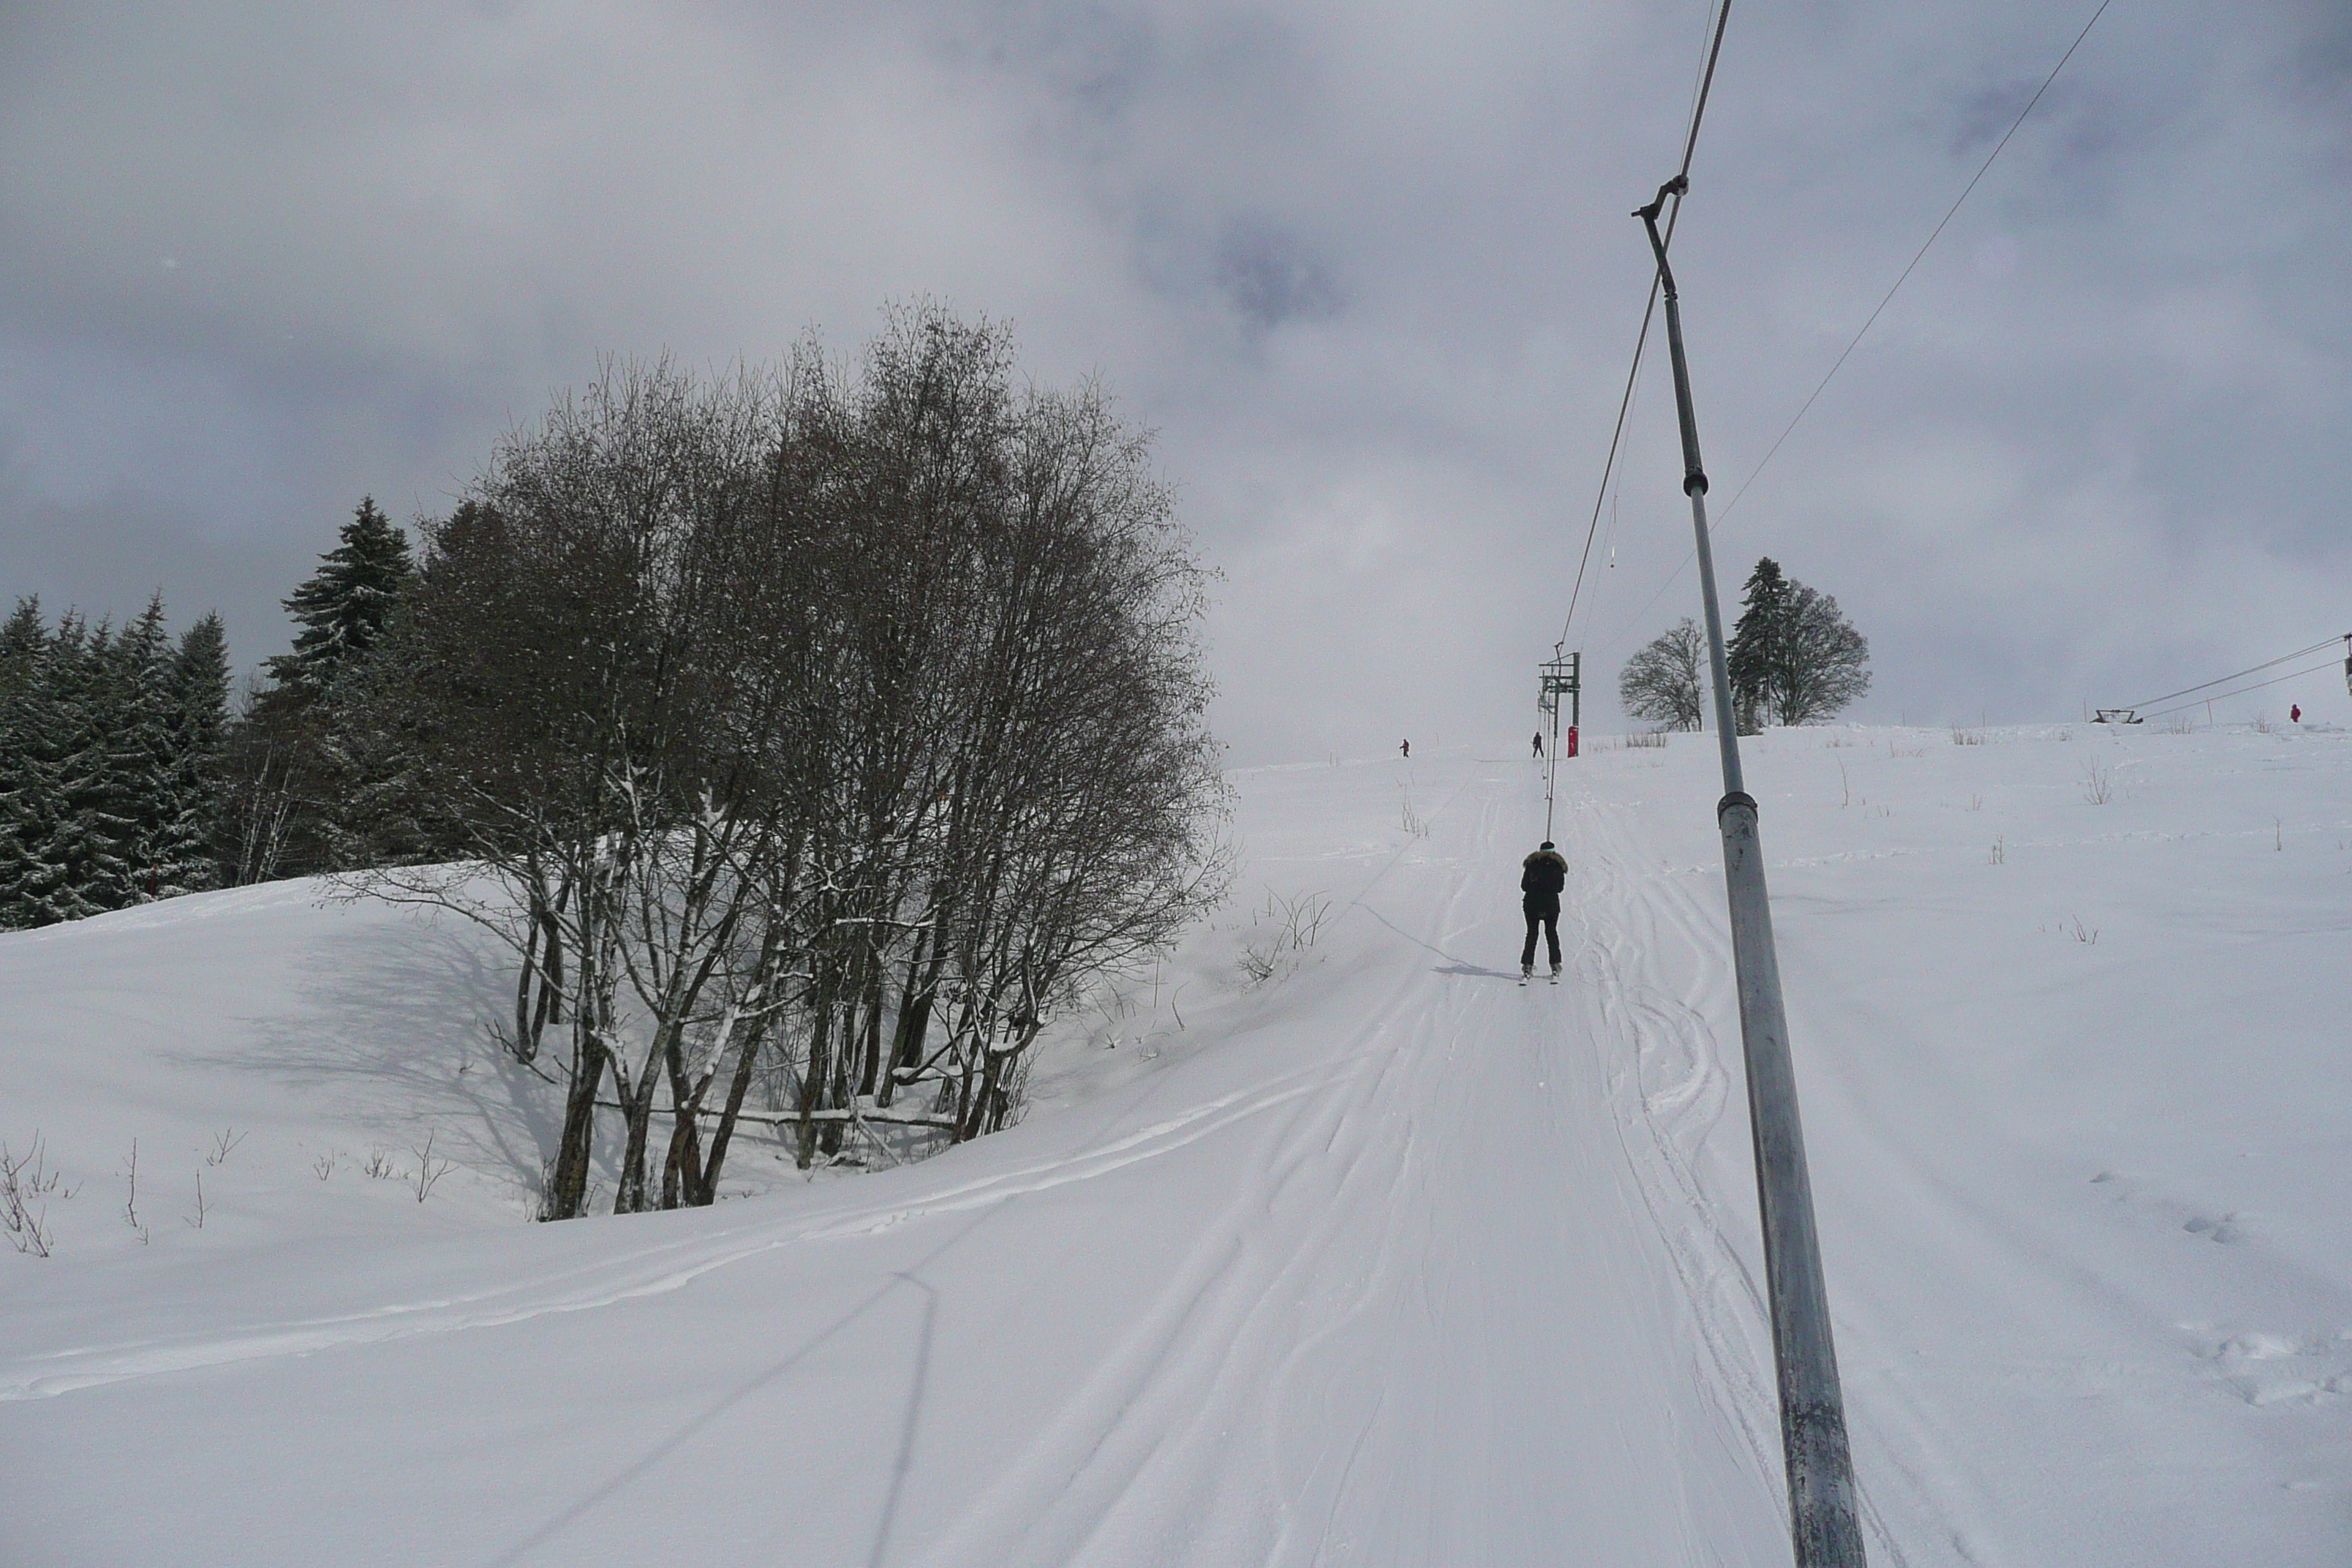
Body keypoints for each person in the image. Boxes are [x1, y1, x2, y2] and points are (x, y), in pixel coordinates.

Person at [1520, 840, 1567, 981]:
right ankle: (1555, 965)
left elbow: (1524, 886)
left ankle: (1527, 965)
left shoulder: (1531, 865)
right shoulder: (1558, 866)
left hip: (1532, 904)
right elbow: (1560, 888)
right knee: (1551, 933)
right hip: (1551, 905)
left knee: (1532, 934)